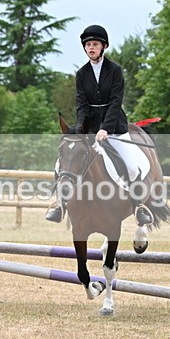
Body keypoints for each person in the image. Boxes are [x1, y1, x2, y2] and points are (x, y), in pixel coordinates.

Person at [45, 24, 153, 226]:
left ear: (104, 47)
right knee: (62, 162)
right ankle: (60, 204)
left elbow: (115, 101)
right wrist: (82, 128)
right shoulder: (82, 73)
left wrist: (106, 128)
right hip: (90, 127)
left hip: (115, 126)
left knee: (131, 164)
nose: (90, 47)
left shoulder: (115, 70)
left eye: (95, 44)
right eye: (87, 45)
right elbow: (81, 104)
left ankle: (138, 206)